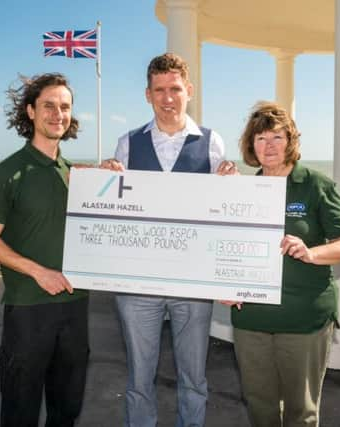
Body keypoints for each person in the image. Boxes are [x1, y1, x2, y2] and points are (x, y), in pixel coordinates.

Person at [100, 53, 236, 427]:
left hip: (192, 283)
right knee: (138, 378)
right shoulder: (127, 144)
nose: (168, 98)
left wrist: (230, 184)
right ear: (148, 94)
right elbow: (115, 210)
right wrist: (105, 179)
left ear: (188, 91)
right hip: (137, 284)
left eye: (175, 88)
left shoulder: (211, 143)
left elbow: (220, 211)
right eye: (159, 90)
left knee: (194, 378)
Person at [222, 101, 340, 427]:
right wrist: (221, 283)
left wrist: (312, 253)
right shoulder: (242, 190)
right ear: (250, 145)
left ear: (291, 141)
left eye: (276, 138)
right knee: (260, 407)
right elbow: (219, 244)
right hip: (251, 317)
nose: (268, 146)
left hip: (303, 319)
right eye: (260, 139)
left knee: (302, 412)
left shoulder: (315, 184)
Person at [0, 73, 89, 427]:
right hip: (27, 310)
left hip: (75, 308)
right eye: (49, 106)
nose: (58, 113)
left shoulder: (76, 176)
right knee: (20, 411)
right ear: (30, 112)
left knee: (66, 409)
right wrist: (38, 271)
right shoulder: (8, 172)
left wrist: (111, 180)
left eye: (65, 106)